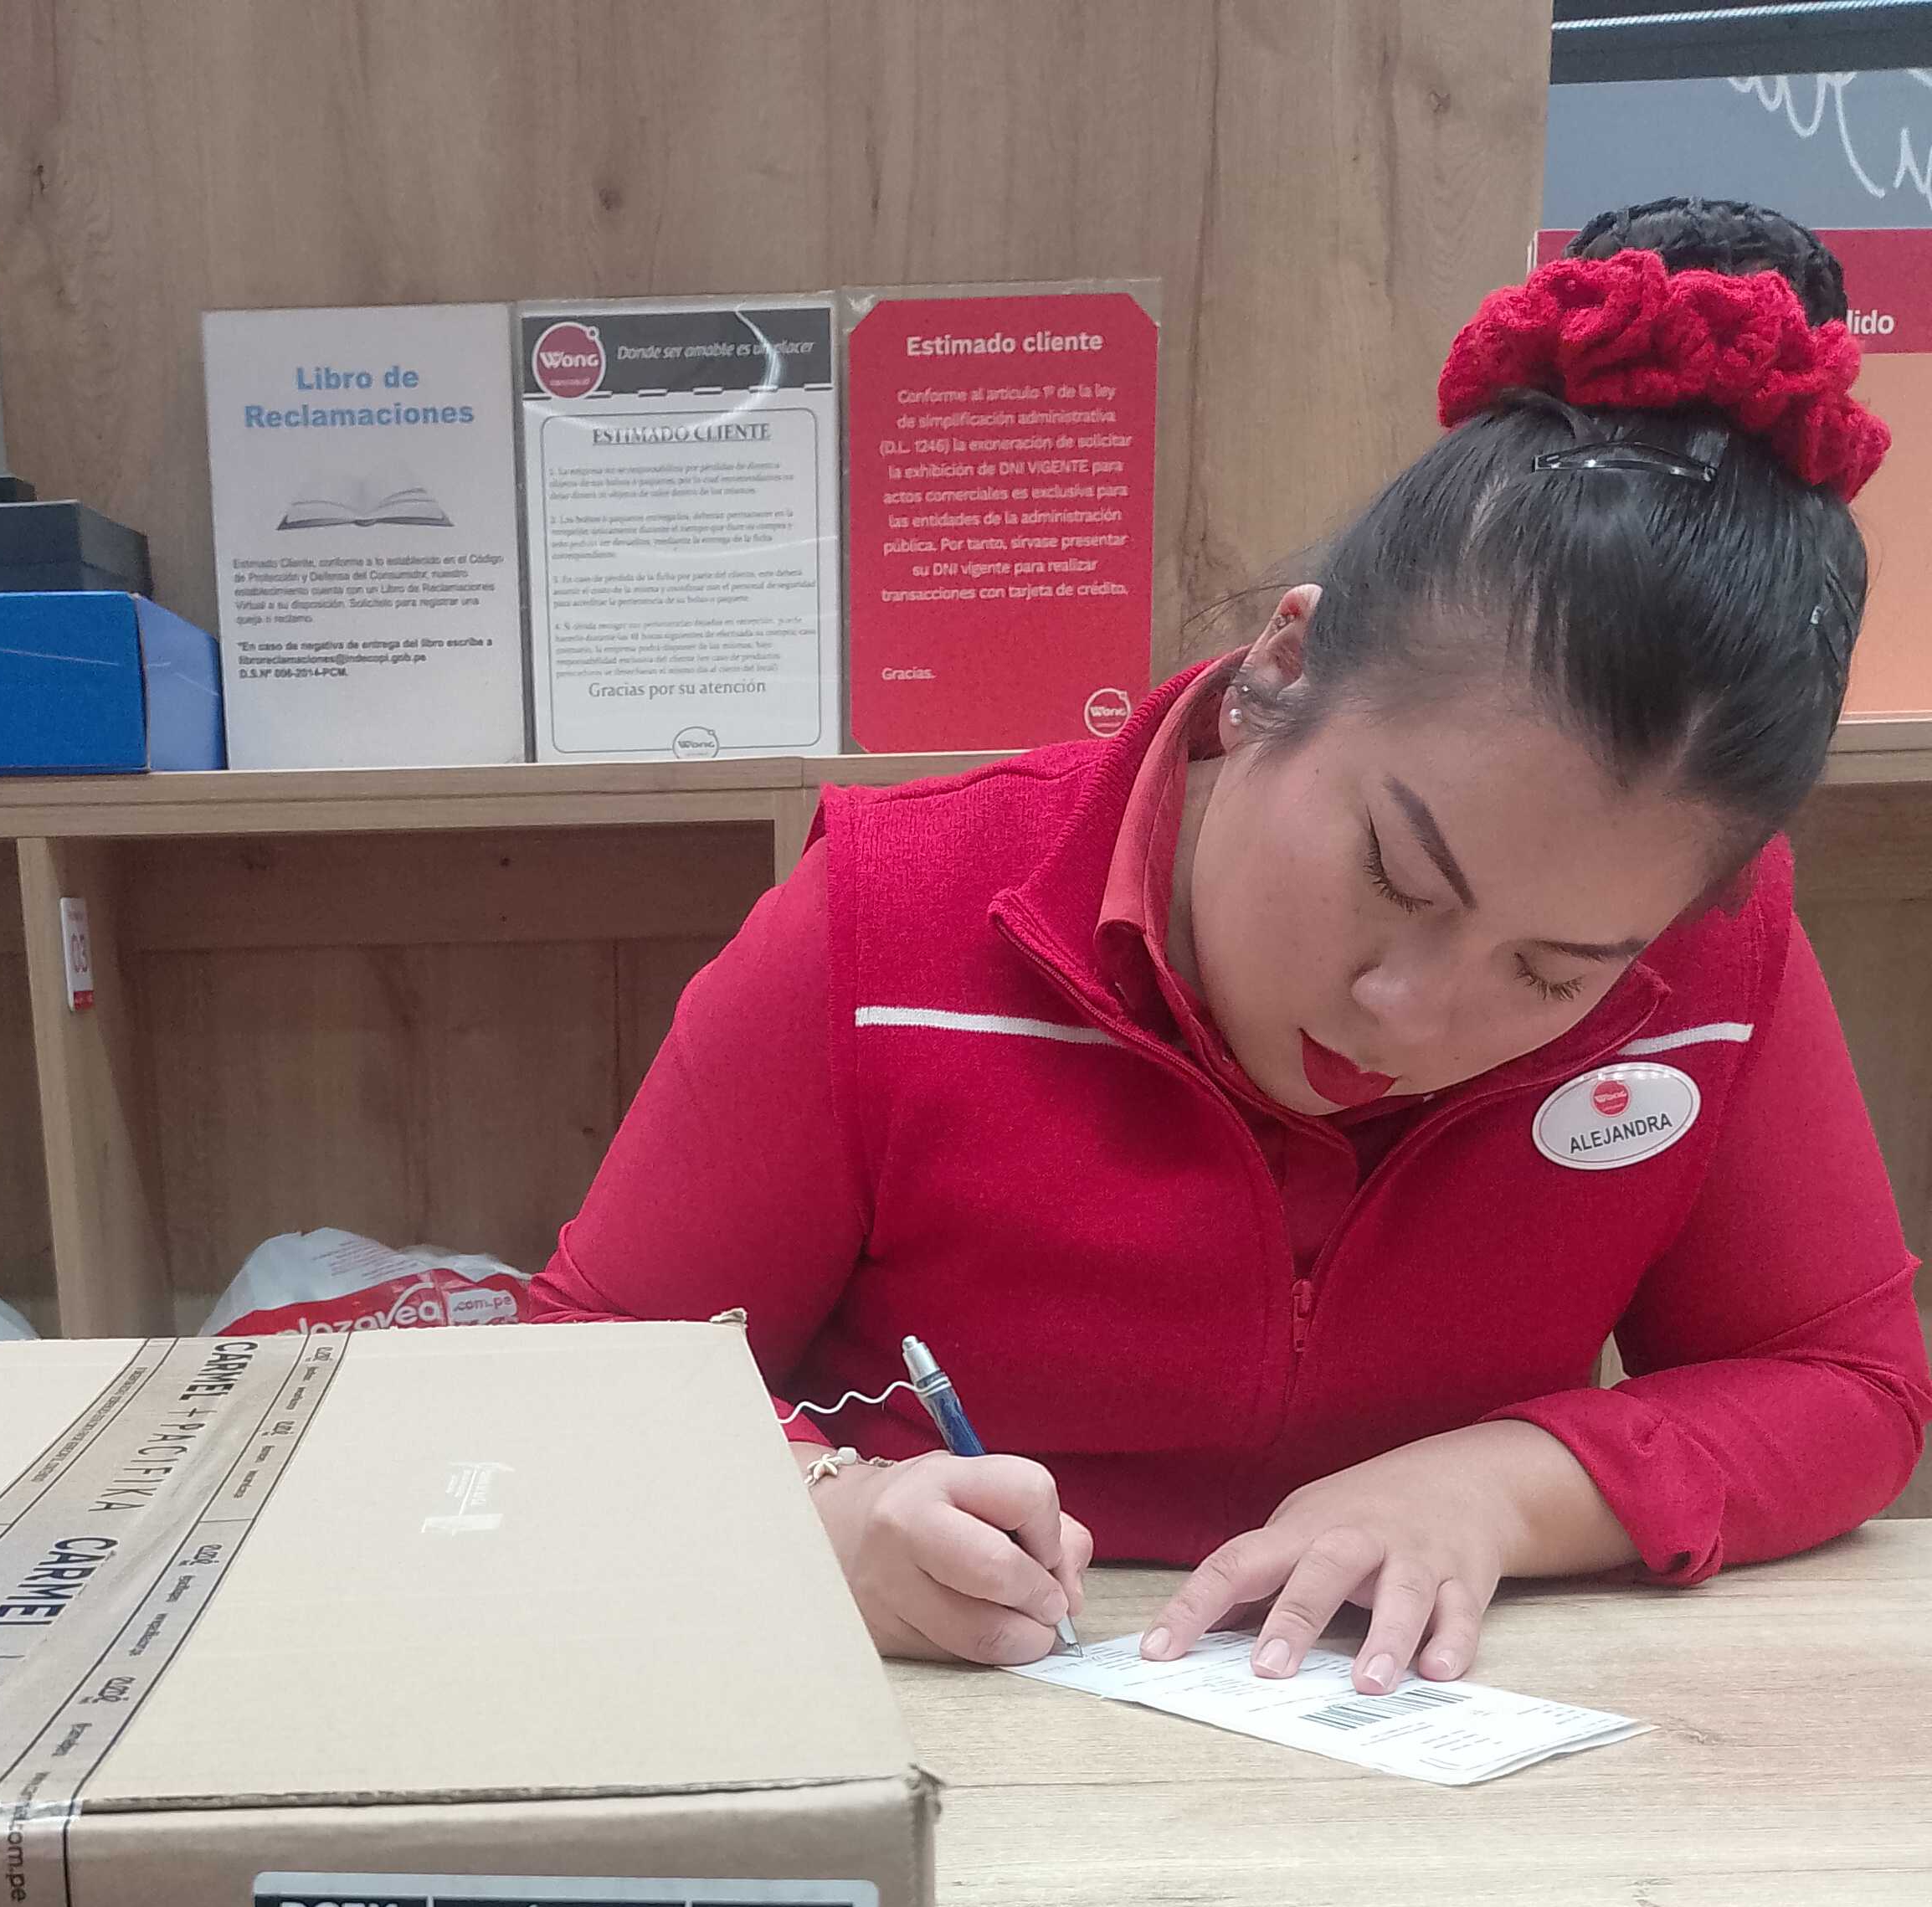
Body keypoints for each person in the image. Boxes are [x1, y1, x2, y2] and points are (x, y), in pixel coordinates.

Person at [533, 200, 1932, 1691]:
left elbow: (1847, 1384)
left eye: (1553, 974)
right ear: (1283, 664)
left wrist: (1499, 1488)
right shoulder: (892, 917)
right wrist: (825, 1518)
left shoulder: (1714, 955)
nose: (1411, 1013)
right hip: (954, 1724)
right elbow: (569, 1376)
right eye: (1396, 873)